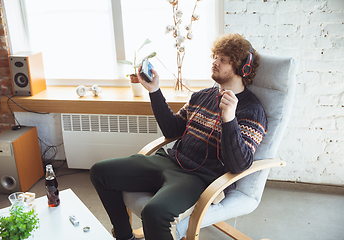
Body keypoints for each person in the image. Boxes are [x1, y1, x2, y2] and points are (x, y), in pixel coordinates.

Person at [90, 33, 267, 240]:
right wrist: (154, 91)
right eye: (215, 57)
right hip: (169, 161)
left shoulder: (251, 110)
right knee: (100, 172)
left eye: (223, 60)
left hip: (201, 178)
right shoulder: (201, 96)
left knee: (154, 213)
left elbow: (239, 164)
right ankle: (123, 235)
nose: (214, 63)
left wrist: (229, 120)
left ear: (241, 68)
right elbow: (173, 130)